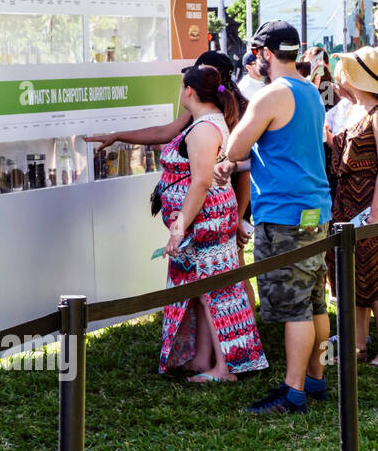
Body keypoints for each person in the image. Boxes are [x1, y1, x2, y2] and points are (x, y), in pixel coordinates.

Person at [215, 21, 333, 415]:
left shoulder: (271, 95)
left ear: (266, 53)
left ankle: (293, 392)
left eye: (255, 53)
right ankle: (316, 379)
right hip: (316, 211)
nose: (253, 60)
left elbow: (233, 146)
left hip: (285, 216)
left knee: (292, 307)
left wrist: (231, 160)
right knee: (315, 301)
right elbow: (285, 151)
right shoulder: (310, 92)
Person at [157, 66, 268, 380]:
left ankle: (224, 367)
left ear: (189, 91)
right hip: (209, 216)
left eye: (181, 87)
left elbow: (201, 182)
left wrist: (179, 229)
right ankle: (204, 358)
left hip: (205, 219)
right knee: (206, 289)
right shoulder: (208, 122)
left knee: (214, 291)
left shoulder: (204, 128)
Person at [87, 50, 254, 249]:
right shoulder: (205, 113)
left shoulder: (209, 124)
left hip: (208, 221)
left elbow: (207, 181)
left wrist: (237, 218)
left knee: (227, 270)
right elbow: (164, 132)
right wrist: (117, 136)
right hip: (203, 221)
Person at [326, 47, 378, 364]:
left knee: (375, 277)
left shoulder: (376, 114)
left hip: (369, 202)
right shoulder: (349, 110)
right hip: (344, 203)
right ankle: (358, 344)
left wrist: (376, 211)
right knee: (351, 275)